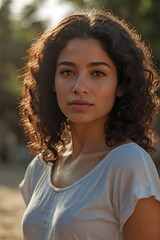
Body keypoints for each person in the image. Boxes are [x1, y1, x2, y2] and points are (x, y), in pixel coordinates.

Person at [19, 9, 160, 240]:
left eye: (97, 73)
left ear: (121, 85)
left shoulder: (129, 166)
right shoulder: (40, 166)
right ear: (51, 82)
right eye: (67, 72)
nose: (79, 86)